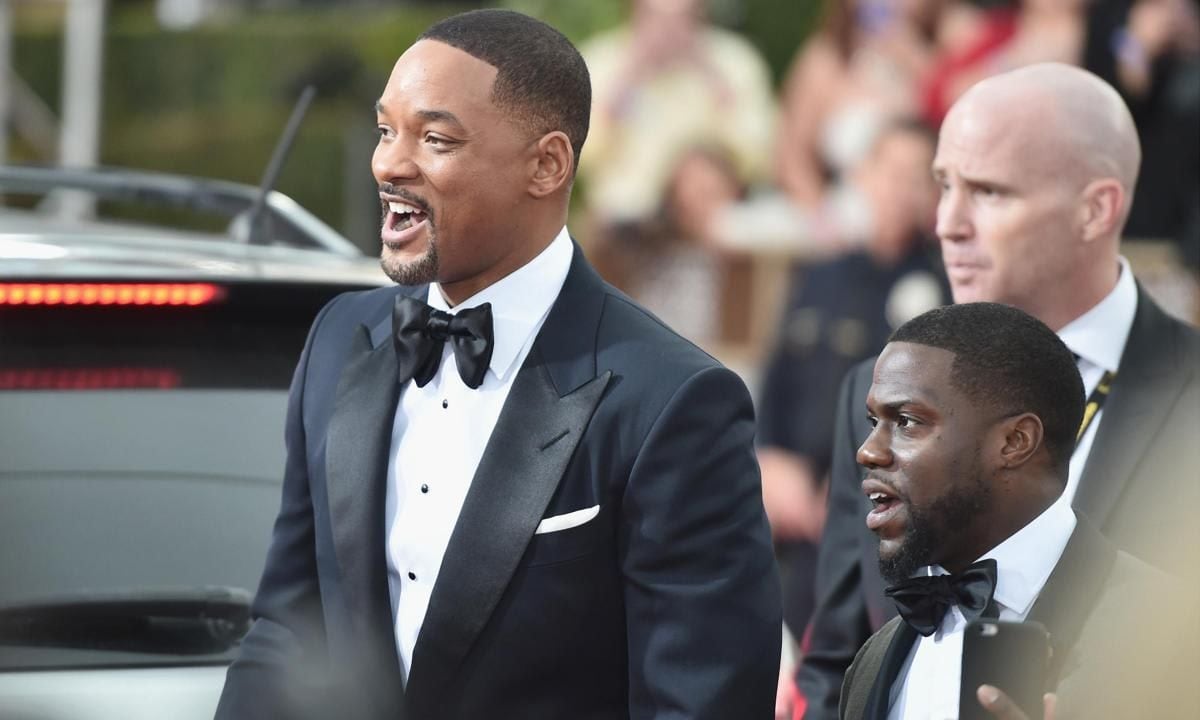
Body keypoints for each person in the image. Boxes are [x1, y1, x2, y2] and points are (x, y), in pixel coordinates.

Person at [214, 10, 782, 720]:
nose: (389, 162)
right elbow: (286, 632)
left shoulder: (673, 402)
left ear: (546, 165)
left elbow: (701, 703)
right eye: (387, 129)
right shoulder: (339, 340)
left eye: (435, 138)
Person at [796, 62, 1200, 719]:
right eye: (943, 185)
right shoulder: (873, 398)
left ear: (1096, 209)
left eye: (988, 192)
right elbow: (838, 657)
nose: (947, 224)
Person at [837, 302, 1196, 720]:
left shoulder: (1178, 631)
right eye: (872, 421)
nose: (868, 451)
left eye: (906, 421)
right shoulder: (873, 662)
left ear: (1015, 442)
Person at [757, 118, 948, 638]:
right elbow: (777, 378)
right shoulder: (821, 275)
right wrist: (771, 459)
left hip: (879, 516)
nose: (900, 187)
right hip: (795, 512)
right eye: (889, 170)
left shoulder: (944, 288)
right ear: (863, 176)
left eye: (916, 176)